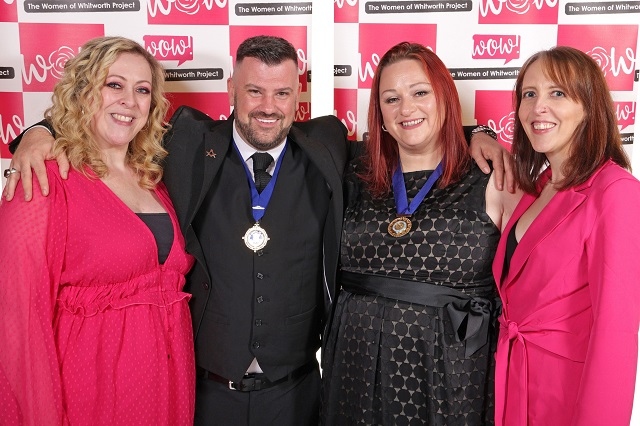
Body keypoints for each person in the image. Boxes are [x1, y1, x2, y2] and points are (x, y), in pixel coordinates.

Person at [4, 36, 512, 425]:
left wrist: (475, 134)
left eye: (282, 92)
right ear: (231, 90)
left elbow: (408, 135)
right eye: (253, 91)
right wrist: (38, 132)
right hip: (199, 394)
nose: (267, 106)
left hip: (296, 395)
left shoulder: (330, 145)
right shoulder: (185, 142)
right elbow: (110, 117)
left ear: (299, 96)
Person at [321, 42, 522, 425]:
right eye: (391, 99)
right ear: (379, 114)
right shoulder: (353, 171)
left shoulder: (492, 176)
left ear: (445, 97)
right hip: (355, 366)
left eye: (420, 93)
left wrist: (478, 132)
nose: (406, 108)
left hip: (451, 372)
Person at [0, 36, 195, 425]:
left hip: (168, 389)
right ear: (83, 92)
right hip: (90, 393)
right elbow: (17, 322)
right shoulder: (44, 179)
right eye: (114, 85)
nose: (130, 100)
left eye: (142, 90)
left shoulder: (155, 179)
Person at [492, 46, 640, 425]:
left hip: (566, 397)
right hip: (513, 385)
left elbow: (616, 332)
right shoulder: (537, 187)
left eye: (557, 93)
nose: (538, 107)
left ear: (589, 106)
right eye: (529, 94)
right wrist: (478, 134)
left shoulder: (616, 191)